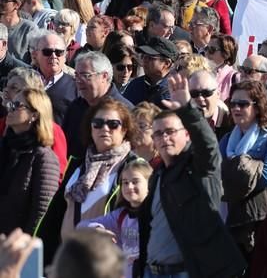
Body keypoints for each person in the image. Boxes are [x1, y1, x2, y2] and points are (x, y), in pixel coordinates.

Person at [137, 73, 247, 278]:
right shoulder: (158, 176)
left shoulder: (199, 168)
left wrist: (187, 108)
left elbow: (208, 145)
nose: (165, 138)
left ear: (186, 134)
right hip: (152, 271)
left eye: (171, 131)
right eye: (159, 133)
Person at [38, 97, 137, 263]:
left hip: (107, 261)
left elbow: (137, 216)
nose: (104, 129)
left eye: (113, 124)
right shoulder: (78, 164)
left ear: (125, 129)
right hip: (69, 258)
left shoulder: (131, 166)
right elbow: (55, 215)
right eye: (97, 123)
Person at [219, 80, 267, 262]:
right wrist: (252, 166)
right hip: (234, 222)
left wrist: (235, 169)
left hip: (264, 222)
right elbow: (217, 177)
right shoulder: (227, 139)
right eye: (232, 103)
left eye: (242, 104)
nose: (236, 108)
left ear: (258, 107)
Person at [77, 158, 153, 278]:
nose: (129, 187)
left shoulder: (156, 213)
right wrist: (97, 230)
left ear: (149, 184)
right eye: (125, 182)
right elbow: (81, 226)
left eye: (135, 181)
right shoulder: (120, 215)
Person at [0, 88, 60, 234]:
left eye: (17, 105)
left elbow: (41, 212)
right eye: (11, 104)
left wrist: (24, 247)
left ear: (34, 115)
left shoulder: (43, 157)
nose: (10, 108)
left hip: (15, 244)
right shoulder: (5, 146)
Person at [64, 51, 135, 158]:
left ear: (104, 76)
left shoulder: (125, 110)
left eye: (85, 75)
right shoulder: (76, 107)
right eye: (76, 75)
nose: (78, 80)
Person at [32, 31, 77, 127]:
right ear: (35, 55)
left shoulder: (76, 86)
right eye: (47, 52)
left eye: (59, 52)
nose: (53, 56)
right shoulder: (22, 81)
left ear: (65, 56)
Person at [123, 37, 177, 107]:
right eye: (143, 56)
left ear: (167, 63)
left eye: (150, 58)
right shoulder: (135, 85)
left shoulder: (175, 90)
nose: (145, 60)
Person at [188, 69, 233, 141]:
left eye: (206, 93)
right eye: (194, 93)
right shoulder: (180, 123)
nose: (200, 98)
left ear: (218, 94)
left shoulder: (231, 124)